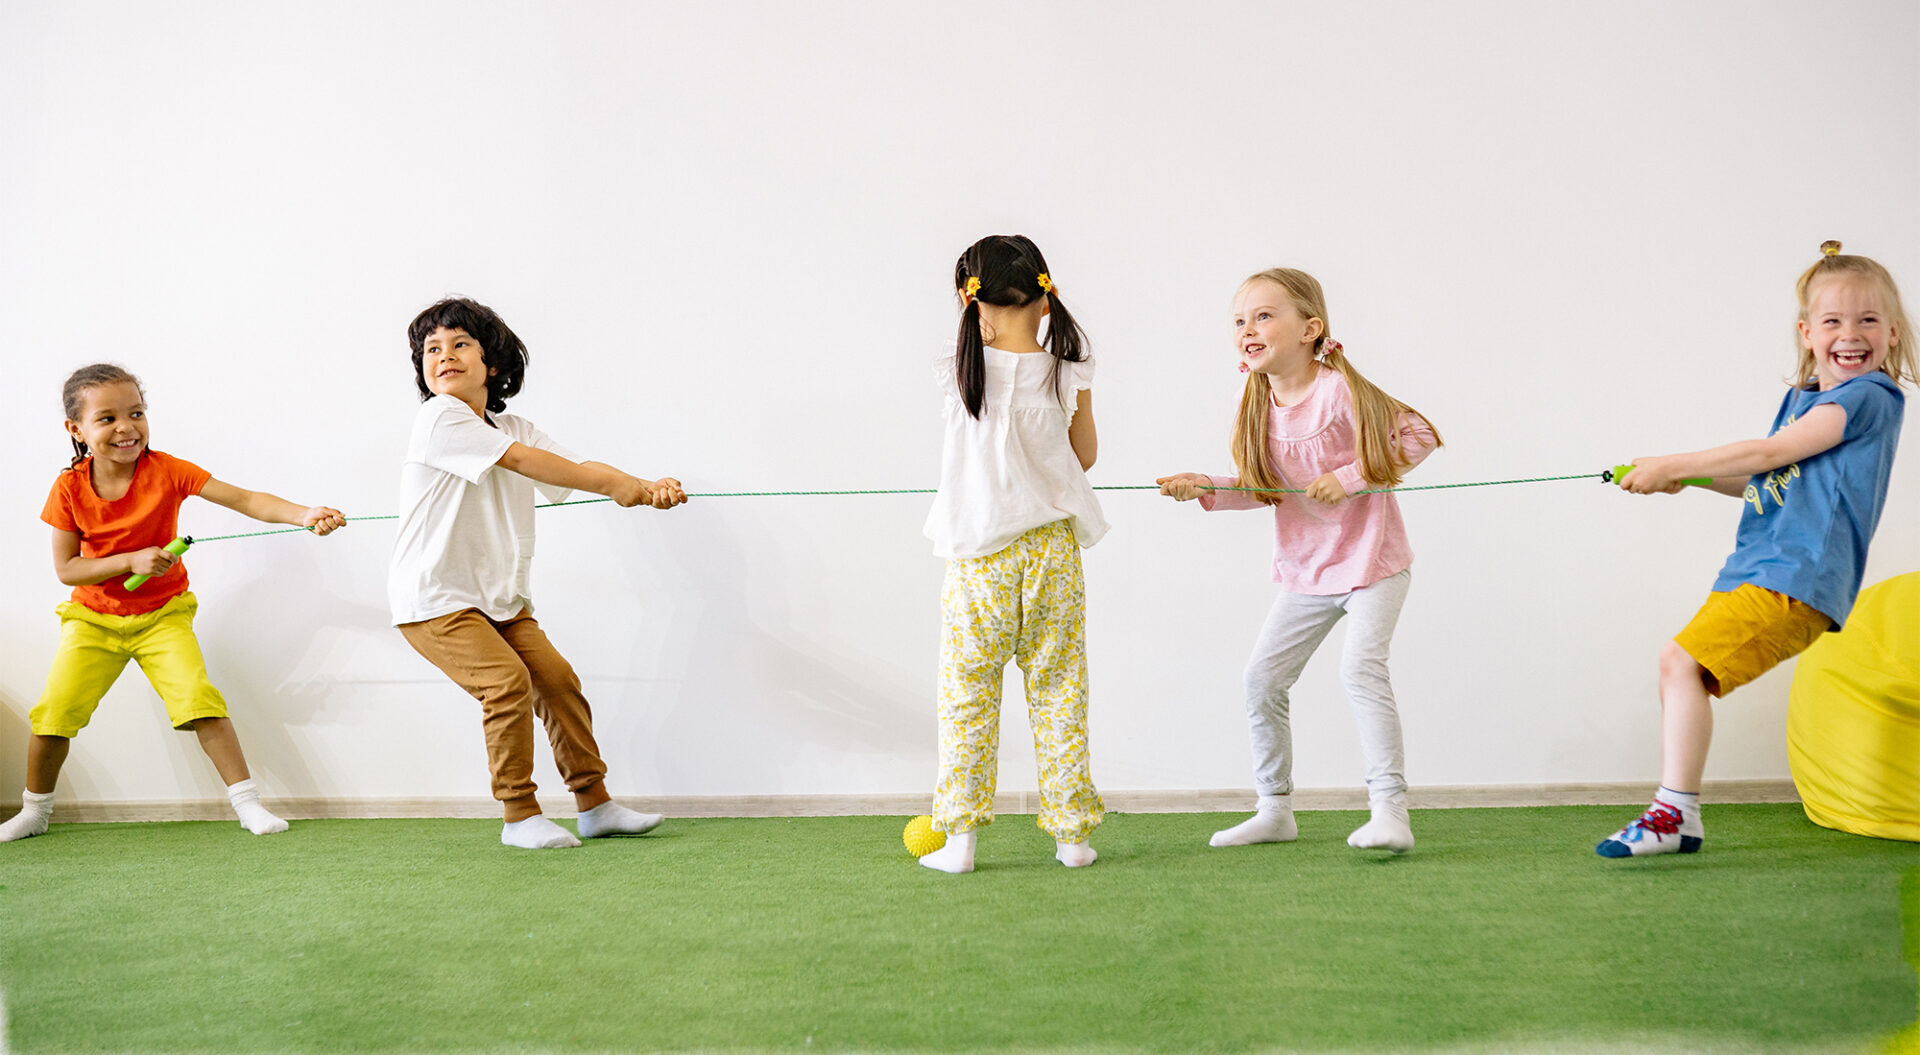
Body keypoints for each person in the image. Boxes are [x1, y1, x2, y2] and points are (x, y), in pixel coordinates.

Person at [1597, 241, 1911, 858]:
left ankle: (1674, 815)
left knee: (1679, 663)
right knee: (1680, 669)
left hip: (1796, 575)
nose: (1851, 335)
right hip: (1760, 568)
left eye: (1868, 320)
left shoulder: (1868, 397)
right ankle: (1677, 813)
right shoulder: (1806, 403)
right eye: (1833, 321)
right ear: (1807, 332)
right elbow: (1763, 481)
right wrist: (1680, 478)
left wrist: (1675, 462)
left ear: (1893, 334)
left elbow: (1770, 454)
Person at [1159, 267, 1440, 854]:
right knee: (1261, 680)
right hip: (1307, 573)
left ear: (1311, 329)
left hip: (1372, 565)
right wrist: (1204, 484)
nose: (1248, 329)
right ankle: (1275, 809)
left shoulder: (1339, 390)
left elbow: (1420, 435)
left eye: (1264, 316)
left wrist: (1352, 476)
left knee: (1360, 673)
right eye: (1239, 320)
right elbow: (1264, 489)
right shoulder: (1257, 401)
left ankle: (1391, 813)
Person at [0, 363, 345, 842]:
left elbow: (245, 500)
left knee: (199, 703)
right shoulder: (69, 488)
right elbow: (68, 570)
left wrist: (303, 514)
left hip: (163, 616)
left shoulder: (167, 470)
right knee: (54, 715)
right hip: (93, 620)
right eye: (107, 419)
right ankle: (34, 813)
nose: (126, 427)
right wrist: (130, 561)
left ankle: (248, 806)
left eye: (136, 413)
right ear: (75, 430)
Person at [390, 297, 687, 850]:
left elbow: (570, 472)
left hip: (499, 600)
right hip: (435, 599)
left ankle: (594, 806)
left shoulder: (512, 425)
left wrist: (642, 486)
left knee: (556, 681)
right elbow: (524, 464)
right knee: (506, 685)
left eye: (460, 344)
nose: (444, 356)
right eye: (432, 349)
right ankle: (519, 816)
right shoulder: (439, 418)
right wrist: (620, 486)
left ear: (493, 364)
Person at [919, 235, 1108, 873]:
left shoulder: (958, 370)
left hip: (982, 561)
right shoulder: (1068, 366)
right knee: (1060, 690)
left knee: (967, 695)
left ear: (973, 302)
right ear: (1045, 297)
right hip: (1053, 553)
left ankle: (961, 844)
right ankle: (1073, 839)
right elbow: (1084, 457)